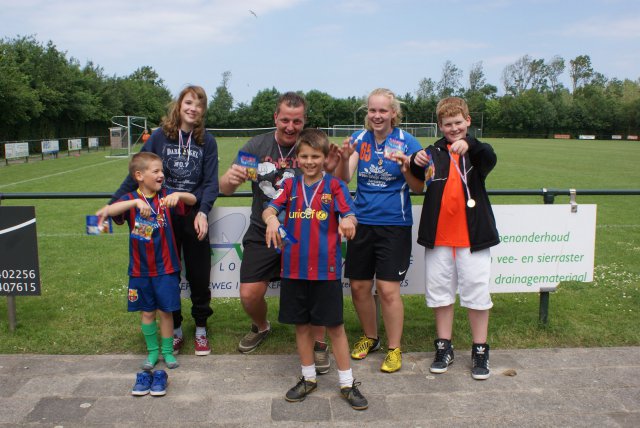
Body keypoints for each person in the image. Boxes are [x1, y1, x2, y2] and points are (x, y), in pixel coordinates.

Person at [219, 92, 338, 373]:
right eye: (285, 120)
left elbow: (336, 184)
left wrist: (336, 167)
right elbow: (225, 187)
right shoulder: (256, 146)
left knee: (314, 293)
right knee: (249, 294)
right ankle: (261, 326)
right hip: (263, 230)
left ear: (304, 121)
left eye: (297, 121)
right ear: (275, 118)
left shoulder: (311, 144)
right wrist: (231, 179)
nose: (290, 127)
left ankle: (319, 344)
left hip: (304, 233)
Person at [97, 85, 219, 356]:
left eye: (199, 105)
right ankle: (175, 329)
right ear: (179, 105)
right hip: (162, 215)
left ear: (203, 111)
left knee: (199, 274)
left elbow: (211, 182)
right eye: (189, 102)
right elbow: (136, 172)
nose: (193, 109)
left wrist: (203, 211)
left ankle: (201, 328)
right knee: (167, 275)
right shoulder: (159, 137)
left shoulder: (207, 141)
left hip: (192, 214)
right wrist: (112, 205)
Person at [262, 128, 368, 410]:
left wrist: (348, 222)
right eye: (305, 156)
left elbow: (350, 215)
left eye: (315, 156)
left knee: (335, 327)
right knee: (302, 326)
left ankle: (347, 383)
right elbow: (268, 209)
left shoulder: (335, 186)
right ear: (297, 159)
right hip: (293, 270)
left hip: (325, 271)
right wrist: (271, 219)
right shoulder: (289, 186)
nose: (310, 162)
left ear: (324, 158)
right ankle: (308, 378)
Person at [408, 96, 499, 380]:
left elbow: (489, 157)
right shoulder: (433, 152)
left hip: (473, 239)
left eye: (458, 123)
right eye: (448, 124)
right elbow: (418, 176)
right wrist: (414, 161)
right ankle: (443, 347)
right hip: (440, 239)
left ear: (468, 121)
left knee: (477, 295)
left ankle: (480, 350)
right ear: (440, 125)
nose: (454, 128)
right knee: (440, 295)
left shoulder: (476, 151)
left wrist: (469, 144)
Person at [336, 88, 423, 373]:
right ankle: (370, 337)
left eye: (383, 110)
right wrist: (343, 158)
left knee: (387, 289)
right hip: (361, 223)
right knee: (359, 286)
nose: (377, 115)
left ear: (393, 113)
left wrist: (406, 166)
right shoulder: (360, 138)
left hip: (394, 224)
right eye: (372, 110)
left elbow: (418, 187)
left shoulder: (407, 141)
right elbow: (344, 178)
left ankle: (394, 348)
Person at [102, 152, 196, 395]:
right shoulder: (130, 199)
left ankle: (167, 352)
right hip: (140, 270)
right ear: (139, 175)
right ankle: (152, 352)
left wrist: (179, 195)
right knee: (147, 312)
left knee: (166, 311)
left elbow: (193, 199)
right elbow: (108, 211)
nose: (161, 174)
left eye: (161, 170)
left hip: (167, 268)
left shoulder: (166, 196)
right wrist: (135, 204)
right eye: (156, 171)